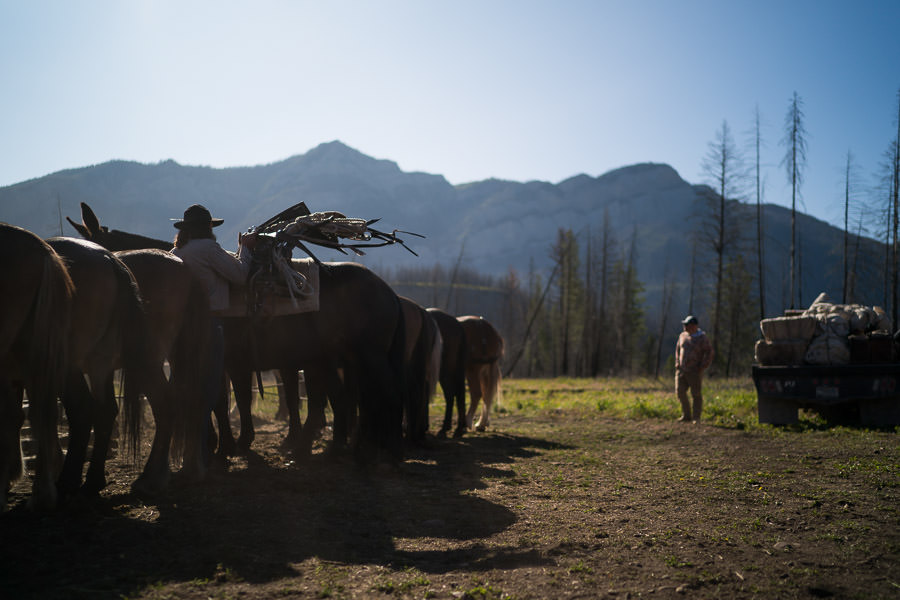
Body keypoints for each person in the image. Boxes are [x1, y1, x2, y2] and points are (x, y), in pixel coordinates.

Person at [171, 204, 257, 470]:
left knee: (186, 385)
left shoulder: (175, 252)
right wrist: (246, 248)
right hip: (209, 324)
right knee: (209, 387)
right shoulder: (208, 249)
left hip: (180, 329)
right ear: (208, 227)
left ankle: (195, 450)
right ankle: (203, 454)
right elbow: (240, 275)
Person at [674, 315, 714, 423]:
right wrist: (677, 362)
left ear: (694, 326)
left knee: (696, 394)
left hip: (695, 371)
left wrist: (703, 366)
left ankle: (696, 417)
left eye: (687, 325)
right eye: (684, 325)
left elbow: (709, 352)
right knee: (680, 392)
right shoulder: (682, 336)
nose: (685, 327)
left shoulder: (702, 338)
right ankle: (686, 415)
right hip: (681, 370)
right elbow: (677, 349)